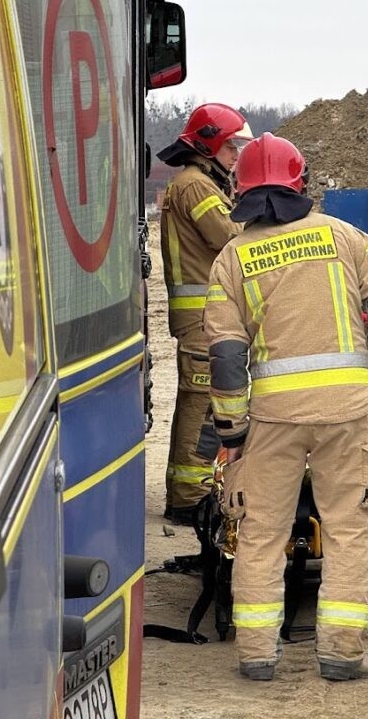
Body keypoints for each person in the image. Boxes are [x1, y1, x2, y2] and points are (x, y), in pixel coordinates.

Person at [204, 133, 368, 681]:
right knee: (347, 529)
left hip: (271, 419)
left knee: (260, 532)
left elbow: (225, 356)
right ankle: (341, 653)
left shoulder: (232, 258)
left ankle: (256, 654)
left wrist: (231, 428)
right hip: (347, 412)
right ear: (303, 183)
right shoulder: (347, 238)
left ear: (238, 190)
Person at [157, 103, 253, 523]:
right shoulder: (195, 185)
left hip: (203, 317)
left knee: (201, 402)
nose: (235, 154)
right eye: (231, 145)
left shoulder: (199, 183)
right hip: (200, 319)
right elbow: (228, 236)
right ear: (210, 143)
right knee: (201, 405)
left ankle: (189, 489)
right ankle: (189, 496)